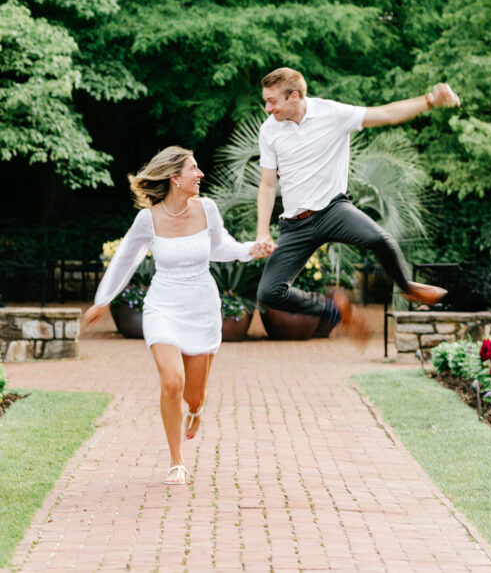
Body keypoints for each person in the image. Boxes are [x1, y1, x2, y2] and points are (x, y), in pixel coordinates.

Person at [82, 147, 271, 486]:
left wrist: (248, 249)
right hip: (163, 306)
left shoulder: (207, 209)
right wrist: (103, 300)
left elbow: (221, 247)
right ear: (175, 178)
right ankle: (176, 461)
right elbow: (126, 258)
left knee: (193, 395)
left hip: (201, 306)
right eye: (193, 169)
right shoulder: (148, 219)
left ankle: (196, 411)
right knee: (172, 381)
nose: (200, 174)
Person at [254, 68, 461, 338]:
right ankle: (336, 312)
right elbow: (268, 185)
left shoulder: (332, 114)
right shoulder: (269, 131)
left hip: (332, 209)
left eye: (272, 101)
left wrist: (430, 101)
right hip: (295, 224)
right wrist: (262, 231)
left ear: (294, 96)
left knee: (380, 240)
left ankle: (408, 287)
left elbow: (386, 114)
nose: (268, 109)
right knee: (269, 292)